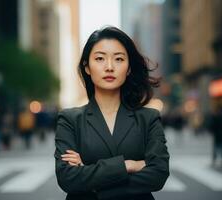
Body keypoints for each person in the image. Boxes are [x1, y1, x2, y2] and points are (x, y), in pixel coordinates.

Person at [54, 26, 170, 200]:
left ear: (129, 68)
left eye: (119, 59)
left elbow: (158, 174)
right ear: (87, 67)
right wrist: (128, 166)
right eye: (100, 58)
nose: (109, 67)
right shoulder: (70, 119)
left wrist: (90, 179)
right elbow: (68, 179)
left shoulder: (148, 118)